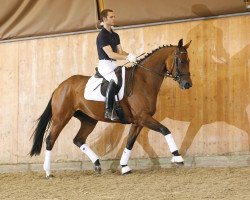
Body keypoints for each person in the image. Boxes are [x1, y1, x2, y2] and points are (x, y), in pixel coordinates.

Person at [96, 9, 137, 120]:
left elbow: (120, 52)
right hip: (105, 64)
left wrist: (132, 56)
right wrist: (127, 58)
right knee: (114, 80)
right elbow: (110, 54)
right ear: (105, 19)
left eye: (114, 16)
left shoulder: (115, 35)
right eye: (111, 17)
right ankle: (108, 110)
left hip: (114, 64)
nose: (114, 19)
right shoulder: (102, 36)